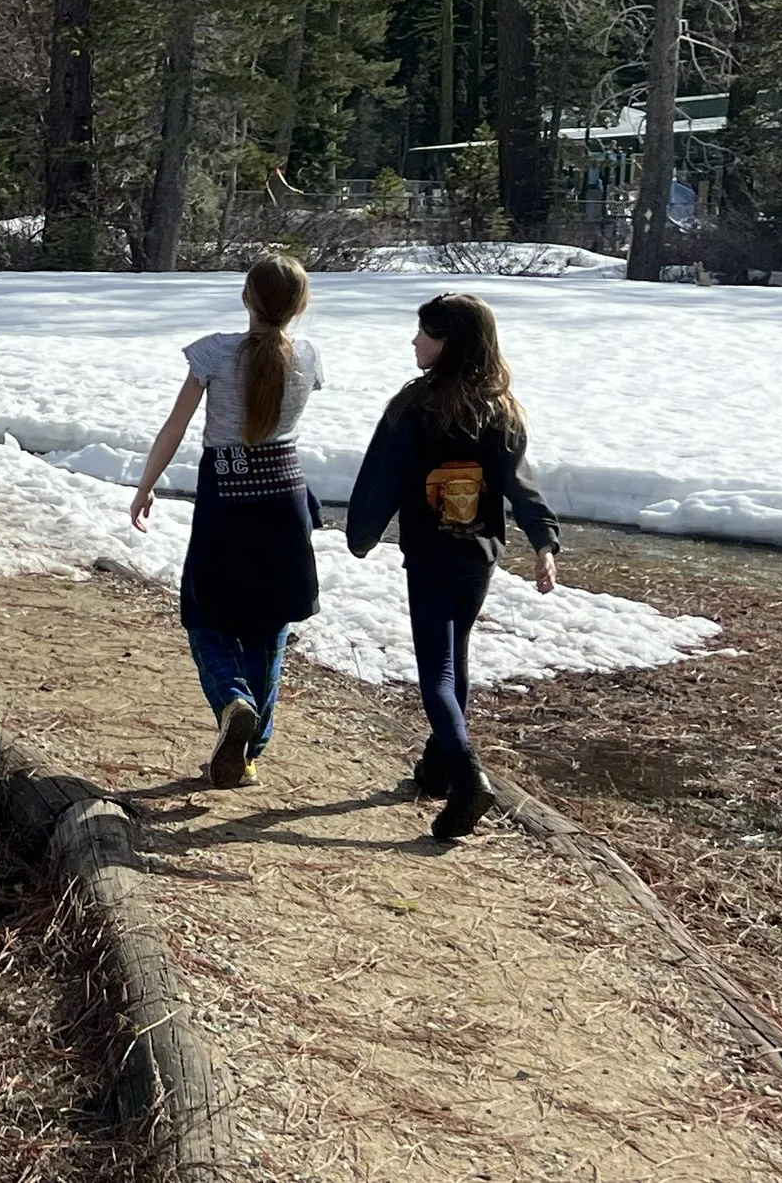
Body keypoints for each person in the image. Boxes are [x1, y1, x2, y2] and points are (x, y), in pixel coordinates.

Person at [345, 291, 561, 842]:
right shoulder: (500, 410)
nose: (414, 342)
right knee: (455, 658)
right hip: (478, 559)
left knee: (436, 672)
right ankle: (437, 768)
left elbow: (381, 478)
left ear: (450, 343)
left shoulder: (413, 407)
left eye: (425, 333)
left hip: (431, 558)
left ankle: (467, 777)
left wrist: (361, 534)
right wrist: (544, 543)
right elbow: (521, 486)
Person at [128, 255, 326, 791]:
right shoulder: (307, 357)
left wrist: (146, 485)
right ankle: (250, 751)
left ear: (246, 297)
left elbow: (176, 426)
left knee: (205, 614)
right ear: (299, 306)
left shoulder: (213, 352)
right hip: (284, 497)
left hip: (227, 498)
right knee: (269, 626)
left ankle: (232, 699)